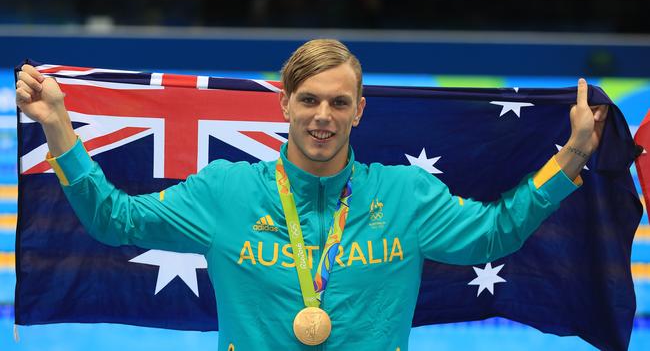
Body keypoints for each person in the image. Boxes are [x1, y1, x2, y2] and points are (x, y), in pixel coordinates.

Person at [15, 39, 608, 350]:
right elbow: (114, 221)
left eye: (339, 102)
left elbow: (495, 232)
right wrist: (59, 127)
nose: (323, 116)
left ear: (359, 112)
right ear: (284, 104)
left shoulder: (406, 196)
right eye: (309, 100)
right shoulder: (225, 190)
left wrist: (574, 152)